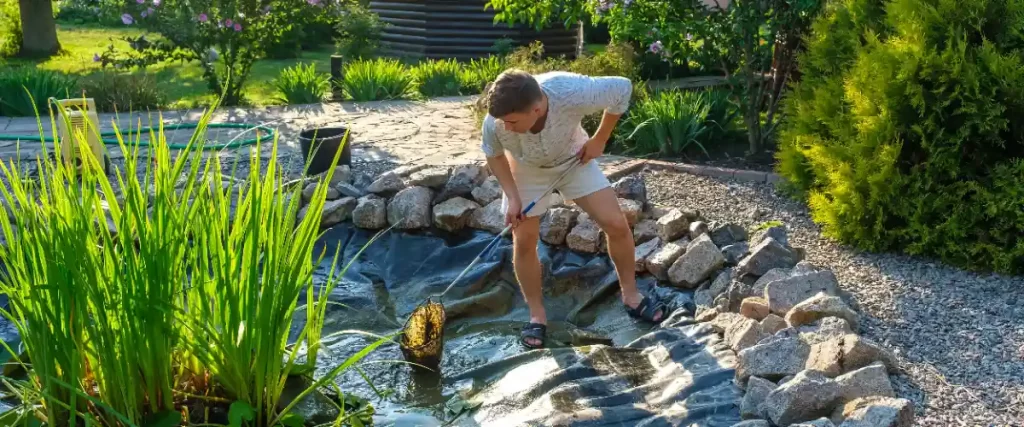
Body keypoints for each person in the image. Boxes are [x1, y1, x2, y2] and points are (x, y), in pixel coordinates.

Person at [479, 69, 665, 349]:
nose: (505, 127)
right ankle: (537, 316)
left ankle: (631, 295)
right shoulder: (495, 122)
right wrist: (512, 196)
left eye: (512, 122)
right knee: (525, 239)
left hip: (575, 159)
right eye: (501, 122)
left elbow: (622, 89)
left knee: (616, 224)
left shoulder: (568, 90)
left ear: (537, 108)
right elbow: (493, 154)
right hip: (526, 168)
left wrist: (600, 139)